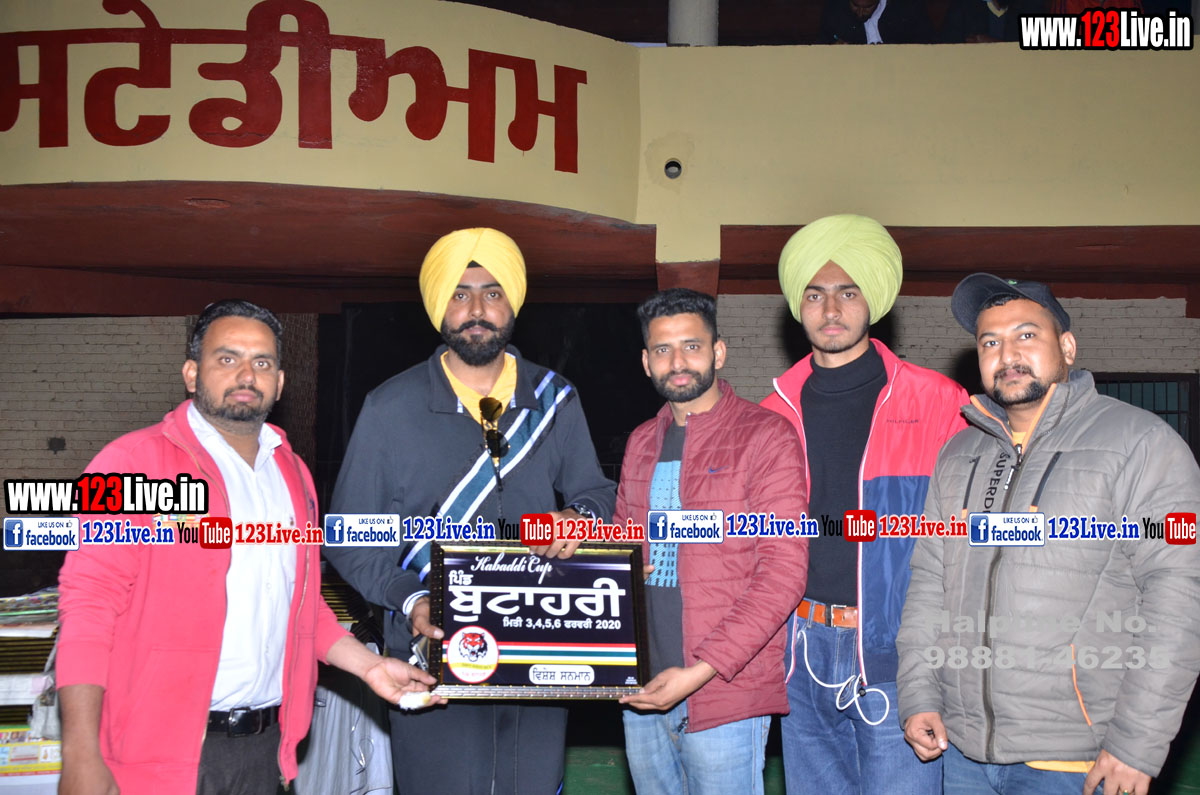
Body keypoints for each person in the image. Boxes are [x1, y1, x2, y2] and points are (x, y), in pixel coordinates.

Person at [55, 300, 435, 795]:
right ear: (192, 374)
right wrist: (80, 753)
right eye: (227, 358)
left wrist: (371, 667)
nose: (246, 375)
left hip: (264, 751)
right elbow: (88, 610)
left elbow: (302, 608)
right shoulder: (129, 464)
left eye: (262, 362)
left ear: (279, 382)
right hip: (156, 756)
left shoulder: (292, 474)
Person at [322, 227, 616, 794]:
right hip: (429, 649)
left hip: (539, 643)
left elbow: (598, 493)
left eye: (492, 292)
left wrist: (578, 518)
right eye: (459, 294)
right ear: (439, 306)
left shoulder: (555, 397)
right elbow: (350, 535)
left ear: (513, 304)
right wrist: (410, 597)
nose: (476, 309)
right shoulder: (390, 406)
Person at [897, 274, 1200, 795]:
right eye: (990, 342)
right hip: (964, 754)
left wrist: (1136, 743)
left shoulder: (1142, 443)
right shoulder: (959, 455)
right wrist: (919, 694)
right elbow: (929, 584)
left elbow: (1179, 600)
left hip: (1077, 762)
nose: (1007, 354)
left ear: (1067, 347)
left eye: (1026, 335)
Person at [762, 214, 968, 794]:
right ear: (798, 305)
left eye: (847, 292)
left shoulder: (938, 400)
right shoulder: (773, 411)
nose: (831, 309)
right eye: (815, 294)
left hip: (898, 653)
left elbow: (970, 534)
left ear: (872, 300)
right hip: (799, 651)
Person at [614, 288, 810, 794]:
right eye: (662, 349)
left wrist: (701, 670)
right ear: (645, 361)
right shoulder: (640, 441)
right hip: (641, 685)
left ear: (718, 352)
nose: (677, 362)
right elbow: (621, 552)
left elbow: (783, 574)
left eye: (692, 346)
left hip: (723, 689)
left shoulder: (766, 436)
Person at [819, 0, 933, 43]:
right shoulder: (835, 9)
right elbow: (821, 43)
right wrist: (833, 48)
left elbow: (928, 41)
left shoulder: (907, 7)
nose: (860, 13)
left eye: (868, 7)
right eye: (855, 5)